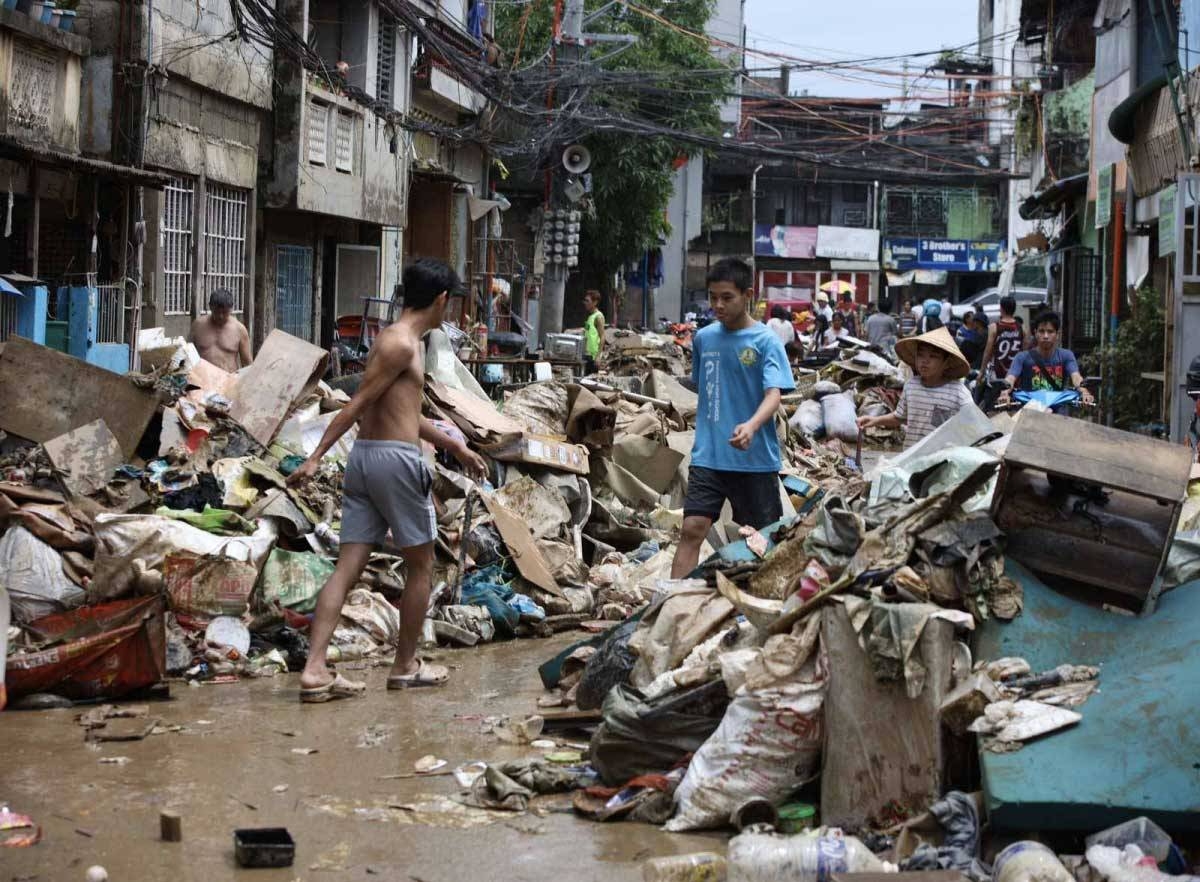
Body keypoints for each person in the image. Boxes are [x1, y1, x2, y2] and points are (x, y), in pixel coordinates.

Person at [286, 259, 489, 702]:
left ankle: (315, 670)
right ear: (440, 301)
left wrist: (456, 447)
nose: (449, 311)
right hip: (394, 463)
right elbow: (358, 402)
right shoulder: (403, 344)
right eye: (449, 303)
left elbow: (403, 412)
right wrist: (315, 457)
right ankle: (405, 666)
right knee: (422, 566)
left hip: (367, 460)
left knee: (347, 567)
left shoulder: (395, 340)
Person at [670, 257, 795, 579]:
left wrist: (752, 425)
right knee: (692, 529)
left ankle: (762, 604)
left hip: (754, 461)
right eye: (713, 298)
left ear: (747, 295)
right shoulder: (704, 339)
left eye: (727, 297)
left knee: (763, 540)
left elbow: (774, 394)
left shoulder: (766, 342)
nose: (718, 305)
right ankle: (672, 603)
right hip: (709, 456)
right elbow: (705, 388)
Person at [857, 326, 974, 449]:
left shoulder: (958, 392)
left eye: (933, 356)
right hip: (911, 455)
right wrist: (874, 420)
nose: (925, 361)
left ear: (946, 363)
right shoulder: (911, 385)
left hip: (941, 459)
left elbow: (973, 423)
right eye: (921, 355)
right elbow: (900, 417)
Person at [998, 310, 1095, 411]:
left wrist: (1084, 392)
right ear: (1035, 333)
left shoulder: (1066, 355)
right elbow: (1010, 378)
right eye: (1041, 331)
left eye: (1050, 331)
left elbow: (1076, 377)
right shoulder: (1022, 357)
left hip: (1059, 413)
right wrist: (1005, 393)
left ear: (1057, 334)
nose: (1045, 336)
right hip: (1030, 412)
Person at [190, 288, 252, 372]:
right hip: (203, 381)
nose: (220, 316)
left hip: (229, 381)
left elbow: (247, 363)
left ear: (231, 309)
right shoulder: (197, 326)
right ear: (210, 307)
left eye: (225, 312)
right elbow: (188, 355)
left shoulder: (239, 329)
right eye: (217, 312)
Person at [582, 289, 605, 374]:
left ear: (595, 302)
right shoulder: (590, 317)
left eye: (587, 301)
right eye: (585, 300)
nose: (585, 303)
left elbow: (602, 336)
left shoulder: (598, 317)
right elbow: (586, 331)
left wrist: (598, 356)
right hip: (587, 355)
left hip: (593, 357)